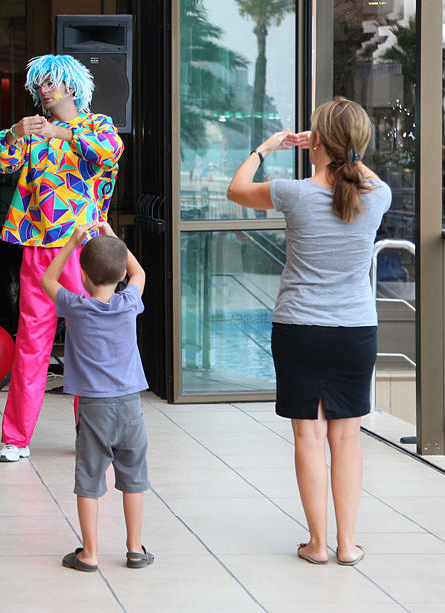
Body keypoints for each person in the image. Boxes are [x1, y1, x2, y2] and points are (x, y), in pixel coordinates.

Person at [226, 97, 391, 566]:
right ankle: (347, 545)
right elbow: (366, 175)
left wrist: (267, 148)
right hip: (355, 332)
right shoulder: (377, 195)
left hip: (299, 329)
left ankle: (316, 545)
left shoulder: (293, 192)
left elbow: (236, 189)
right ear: (358, 145)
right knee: (347, 439)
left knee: (309, 438)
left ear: (314, 142)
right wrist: (341, 148)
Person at [0, 54, 124, 462]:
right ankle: (16, 438)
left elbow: (108, 152)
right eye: (39, 83)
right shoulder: (30, 132)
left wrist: (60, 134)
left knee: (91, 343)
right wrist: (13, 132)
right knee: (31, 343)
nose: (44, 89)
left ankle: (93, 435)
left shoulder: (98, 124)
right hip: (41, 251)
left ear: (72, 85)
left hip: (87, 250)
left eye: (52, 81)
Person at [40, 221, 153, 572]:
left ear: (84, 276)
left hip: (93, 409)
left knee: (89, 481)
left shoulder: (75, 306)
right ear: (120, 274)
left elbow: (47, 281)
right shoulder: (129, 302)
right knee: (133, 479)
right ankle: (135, 549)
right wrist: (114, 239)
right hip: (131, 406)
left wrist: (73, 244)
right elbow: (140, 273)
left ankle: (89, 553)